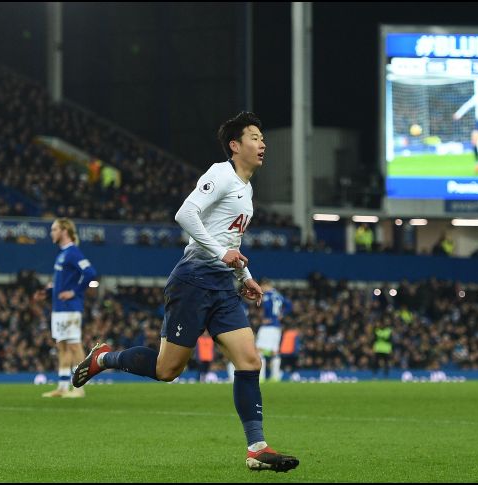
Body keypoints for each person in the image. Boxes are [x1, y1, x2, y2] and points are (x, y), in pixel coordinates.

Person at [71, 112, 299, 472]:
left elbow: (231, 240)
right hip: (193, 281)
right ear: (235, 145)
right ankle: (104, 358)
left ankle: (257, 448)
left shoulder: (247, 188)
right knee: (167, 370)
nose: (262, 144)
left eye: (262, 138)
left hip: (223, 286)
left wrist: (245, 276)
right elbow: (185, 214)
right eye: (254, 137)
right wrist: (221, 254)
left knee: (250, 361)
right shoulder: (220, 174)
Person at [35, 218, 97, 398]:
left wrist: (74, 291)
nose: (51, 233)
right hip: (59, 308)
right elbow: (63, 283)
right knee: (62, 346)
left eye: (54, 229)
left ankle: (79, 388)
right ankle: (62, 387)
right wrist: (48, 292)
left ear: (64, 231)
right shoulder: (62, 254)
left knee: (74, 345)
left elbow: (90, 272)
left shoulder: (73, 252)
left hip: (70, 307)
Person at [256, 278, 292, 382]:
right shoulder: (279, 295)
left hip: (268, 327)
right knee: (274, 352)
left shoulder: (267, 296)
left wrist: (267, 317)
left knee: (259, 351)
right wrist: (281, 314)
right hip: (276, 327)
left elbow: (267, 307)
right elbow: (289, 305)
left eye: (261, 286)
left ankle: (261, 377)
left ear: (265, 285)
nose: (261, 289)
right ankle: (275, 376)